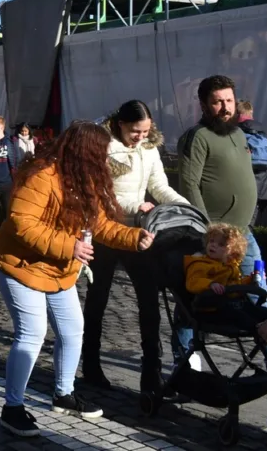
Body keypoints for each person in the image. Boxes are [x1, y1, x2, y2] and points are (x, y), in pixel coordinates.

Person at [0, 121, 155, 437]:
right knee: (32, 333)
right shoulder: (43, 175)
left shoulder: (87, 179)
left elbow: (102, 226)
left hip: (59, 268)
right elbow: (23, 224)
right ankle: (12, 408)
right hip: (20, 264)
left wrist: (134, 237)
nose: (104, 159)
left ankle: (64, 395)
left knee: (72, 329)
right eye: (100, 153)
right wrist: (71, 246)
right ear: (84, 152)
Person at [81, 100, 188, 392]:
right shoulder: (101, 146)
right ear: (120, 125)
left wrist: (186, 209)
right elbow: (100, 194)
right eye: (135, 131)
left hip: (138, 233)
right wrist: (135, 205)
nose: (141, 136)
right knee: (97, 299)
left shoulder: (149, 148)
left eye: (145, 130)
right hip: (106, 230)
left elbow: (160, 187)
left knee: (149, 300)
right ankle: (90, 364)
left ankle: (151, 370)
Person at [175, 75, 264, 365]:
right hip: (210, 240)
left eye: (229, 100)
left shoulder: (238, 134)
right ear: (204, 105)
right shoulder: (197, 137)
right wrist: (208, 231)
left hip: (243, 236)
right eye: (217, 102)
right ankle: (185, 362)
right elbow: (189, 185)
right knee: (193, 304)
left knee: (256, 295)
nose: (225, 107)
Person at [185, 223, 267, 347]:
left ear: (233, 252)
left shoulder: (231, 267)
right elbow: (193, 281)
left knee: (258, 310)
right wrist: (210, 284)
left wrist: (250, 280)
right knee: (239, 315)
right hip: (211, 309)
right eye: (212, 241)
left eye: (221, 244)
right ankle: (261, 328)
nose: (213, 245)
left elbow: (235, 286)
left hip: (233, 303)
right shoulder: (200, 263)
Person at [237, 99, 267, 228]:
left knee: (242, 228)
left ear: (238, 115)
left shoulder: (236, 134)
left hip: (244, 187)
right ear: (251, 114)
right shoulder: (264, 135)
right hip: (266, 189)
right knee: (252, 225)